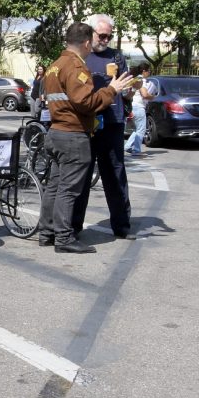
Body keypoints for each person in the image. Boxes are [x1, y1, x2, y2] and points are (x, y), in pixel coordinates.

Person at [39, 22, 134, 254]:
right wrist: (111, 90)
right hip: (73, 134)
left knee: (55, 185)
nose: (98, 44)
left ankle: (47, 232)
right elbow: (86, 103)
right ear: (86, 42)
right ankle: (63, 237)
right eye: (97, 38)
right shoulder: (76, 67)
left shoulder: (54, 65)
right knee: (69, 189)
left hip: (56, 131)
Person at [73, 13, 134, 240]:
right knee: (81, 175)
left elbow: (125, 88)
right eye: (102, 35)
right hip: (86, 122)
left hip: (112, 122)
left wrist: (127, 90)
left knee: (115, 174)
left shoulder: (116, 57)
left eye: (109, 36)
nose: (106, 40)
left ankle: (122, 225)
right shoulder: (80, 57)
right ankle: (73, 227)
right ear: (91, 33)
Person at [124, 62, 156, 156]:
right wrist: (153, 97)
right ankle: (136, 150)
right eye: (149, 71)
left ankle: (128, 146)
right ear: (144, 71)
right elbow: (145, 94)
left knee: (137, 129)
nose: (149, 73)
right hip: (139, 107)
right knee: (141, 129)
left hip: (132, 105)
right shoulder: (141, 80)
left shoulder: (134, 78)